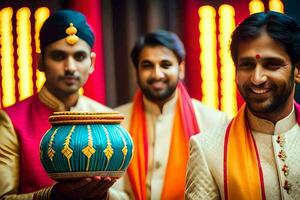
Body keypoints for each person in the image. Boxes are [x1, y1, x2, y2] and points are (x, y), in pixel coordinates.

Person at [0, 9, 115, 199]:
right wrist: (54, 195)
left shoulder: (107, 119)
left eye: (79, 57)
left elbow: (128, 195)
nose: (70, 67)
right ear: (40, 61)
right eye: (59, 56)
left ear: (92, 62)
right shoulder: (11, 121)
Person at [185, 11, 300, 200]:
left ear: (297, 70)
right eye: (247, 65)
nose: (257, 78)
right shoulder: (208, 149)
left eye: (271, 64)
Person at [111, 30, 228, 199]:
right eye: (147, 65)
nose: (157, 74)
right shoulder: (116, 122)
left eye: (165, 65)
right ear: (136, 70)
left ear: (181, 69)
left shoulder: (214, 121)